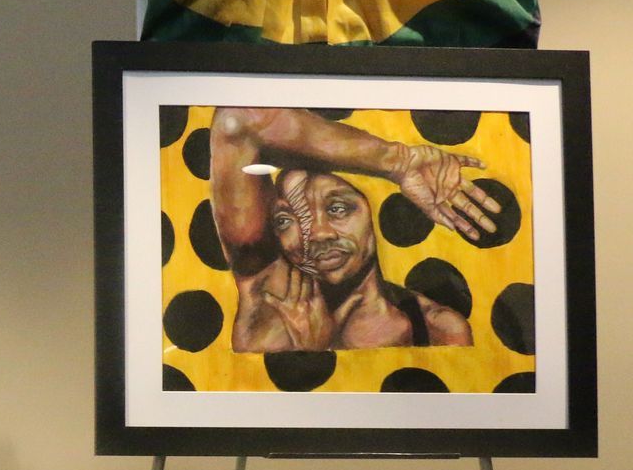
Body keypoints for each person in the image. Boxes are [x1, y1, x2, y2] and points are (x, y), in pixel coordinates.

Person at [209, 107, 500, 351]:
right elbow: (236, 120)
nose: (318, 234)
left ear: (372, 212)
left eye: (338, 208)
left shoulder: (435, 329)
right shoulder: (270, 295)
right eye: (286, 221)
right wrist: (395, 160)